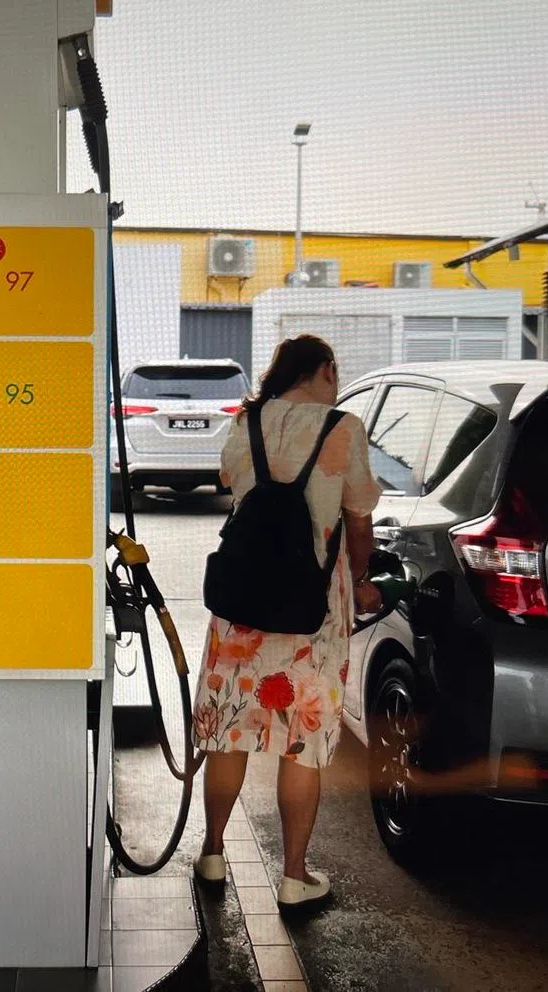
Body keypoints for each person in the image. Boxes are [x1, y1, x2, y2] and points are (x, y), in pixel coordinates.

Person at [191, 335, 381, 909]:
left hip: (242, 604)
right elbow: (359, 519)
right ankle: (294, 877)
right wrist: (364, 577)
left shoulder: (246, 421)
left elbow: (232, 486)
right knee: (300, 744)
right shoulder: (343, 427)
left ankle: (213, 853)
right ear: (326, 369)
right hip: (313, 609)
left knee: (227, 733)